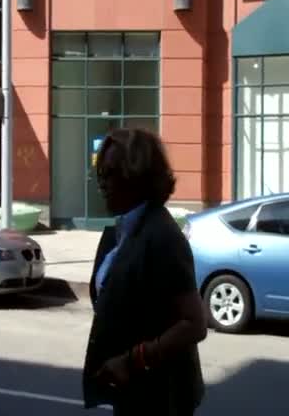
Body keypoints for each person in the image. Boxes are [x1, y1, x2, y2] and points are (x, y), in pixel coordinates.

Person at [83, 128, 207, 416]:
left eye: (110, 172)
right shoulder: (119, 234)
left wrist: (132, 361)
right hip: (129, 394)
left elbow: (194, 323)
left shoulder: (163, 236)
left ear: (137, 176)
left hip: (161, 399)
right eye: (100, 172)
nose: (101, 181)